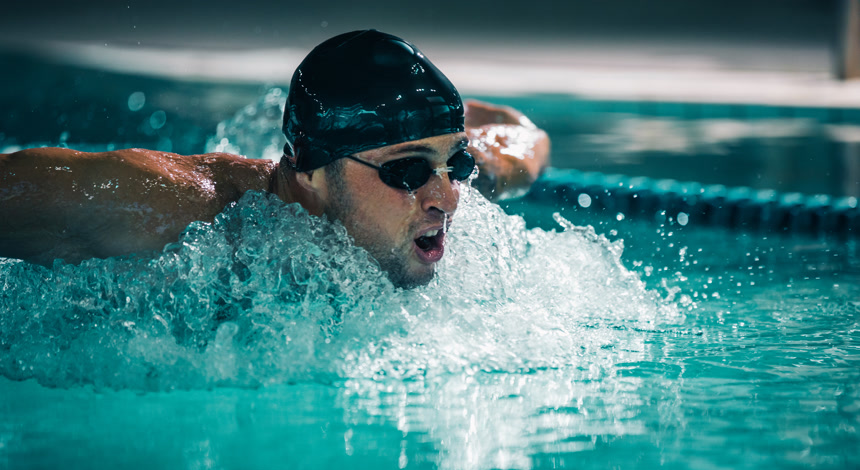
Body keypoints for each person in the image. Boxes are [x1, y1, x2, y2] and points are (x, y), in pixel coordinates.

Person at [0, 30, 549, 288]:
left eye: (456, 165)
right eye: (405, 170)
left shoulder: (443, 183)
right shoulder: (178, 208)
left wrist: (437, 137)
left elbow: (526, 138)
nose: (448, 197)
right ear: (308, 171)